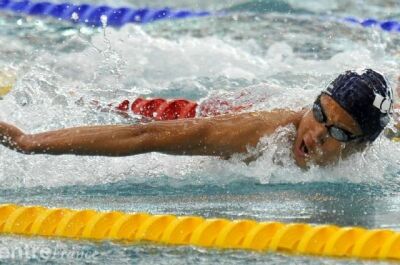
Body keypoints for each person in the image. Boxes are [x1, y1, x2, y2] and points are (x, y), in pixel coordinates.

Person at [0, 69, 394, 168]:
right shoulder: (262, 135)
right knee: (105, 103)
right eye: (318, 114)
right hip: (199, 116)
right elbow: (147, 136)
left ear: (361, 144)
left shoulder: (381, 130)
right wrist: (29, 141)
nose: (316, 134)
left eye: (338, 131)